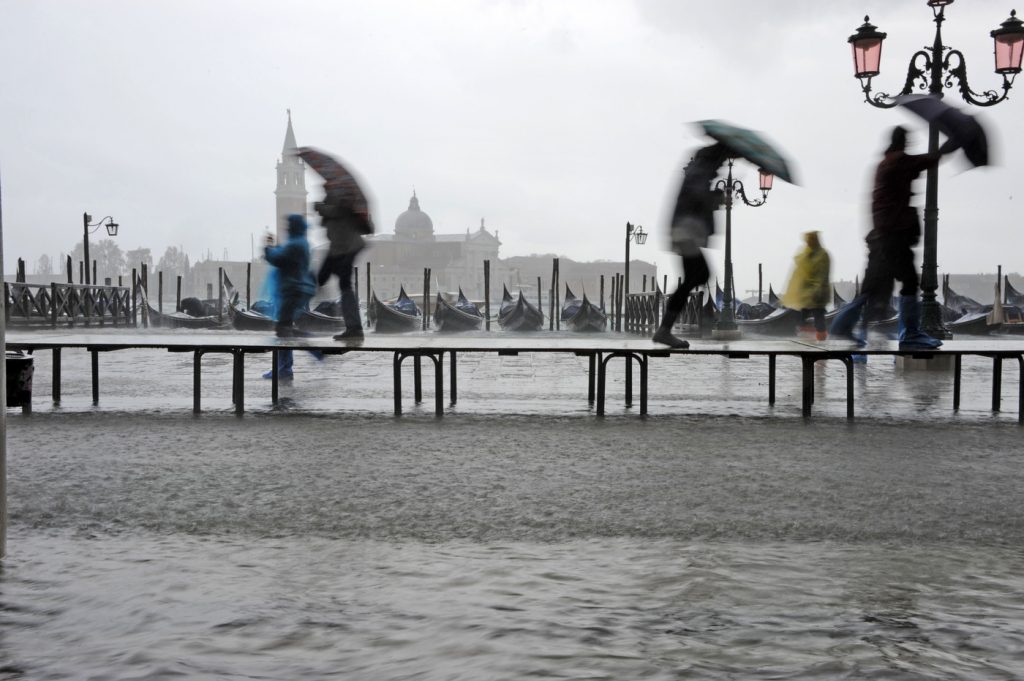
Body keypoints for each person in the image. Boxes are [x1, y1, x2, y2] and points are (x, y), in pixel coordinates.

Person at [830, 126, 955, 349]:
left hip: (882, 235)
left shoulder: (885, 162)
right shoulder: (898, 161)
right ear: (902, 141)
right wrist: (953, 143)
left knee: (874, 288)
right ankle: (910, 335)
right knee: (909, 281)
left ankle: (842, 324)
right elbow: (927, 161)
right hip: (895, 234)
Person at [653, 143, 730, 348]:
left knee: (696, 277)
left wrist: (714, 198)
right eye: (721, 161)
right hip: (686, 231)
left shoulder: (700, 171)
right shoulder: (701, 171)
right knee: (699, 276)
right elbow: (697, 196)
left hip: (686, 231)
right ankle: (664, 330)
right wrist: (716, 198)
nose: (721, 166)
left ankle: (664, 329)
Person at [263, 214, 319, 379]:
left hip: (292, 290)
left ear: (294, 227)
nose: (287, 228)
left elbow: (278, 259)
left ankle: (315, 350)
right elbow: (286, 256)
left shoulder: (296, 244)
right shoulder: (301, 243)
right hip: (296, 290)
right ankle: (284, 367)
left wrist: (267, 248)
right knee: (284, 328)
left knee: (283, 329)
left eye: (289, 226)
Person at [315, 185, 371, 341]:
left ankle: (354, 328)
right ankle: (352, 326)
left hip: (346, 248)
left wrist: (321, 207)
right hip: (340, 248)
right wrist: (322, 209)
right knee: (329, 279)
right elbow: (328, 221)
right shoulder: (336, 199)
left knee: (342, 284)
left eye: (326, 189)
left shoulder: (340, 201)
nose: (324, 190)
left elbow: (335, 212)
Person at [782, 230, 831, 341]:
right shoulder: (807, 253)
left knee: (819, 318)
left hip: (819, 294)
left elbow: (823, 274)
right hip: (806, 294)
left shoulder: (823, 255)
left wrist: (816, 289)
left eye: (810, 241)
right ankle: (807, 340)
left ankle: (821, 341)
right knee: (802, 317)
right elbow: (801, 270)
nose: (808, 243)